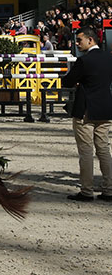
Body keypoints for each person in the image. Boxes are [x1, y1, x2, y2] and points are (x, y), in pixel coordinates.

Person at [61, 26, 112, 202]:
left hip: (86, 110)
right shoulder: (108, 58)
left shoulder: (84, 61)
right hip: (105, 108)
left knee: (86, 151)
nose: (77, 43)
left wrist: (78, 82)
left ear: (90, 40)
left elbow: (67, 81)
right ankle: (109, 189)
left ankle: (87, 191)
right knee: (104, 149)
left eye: (79, 40)